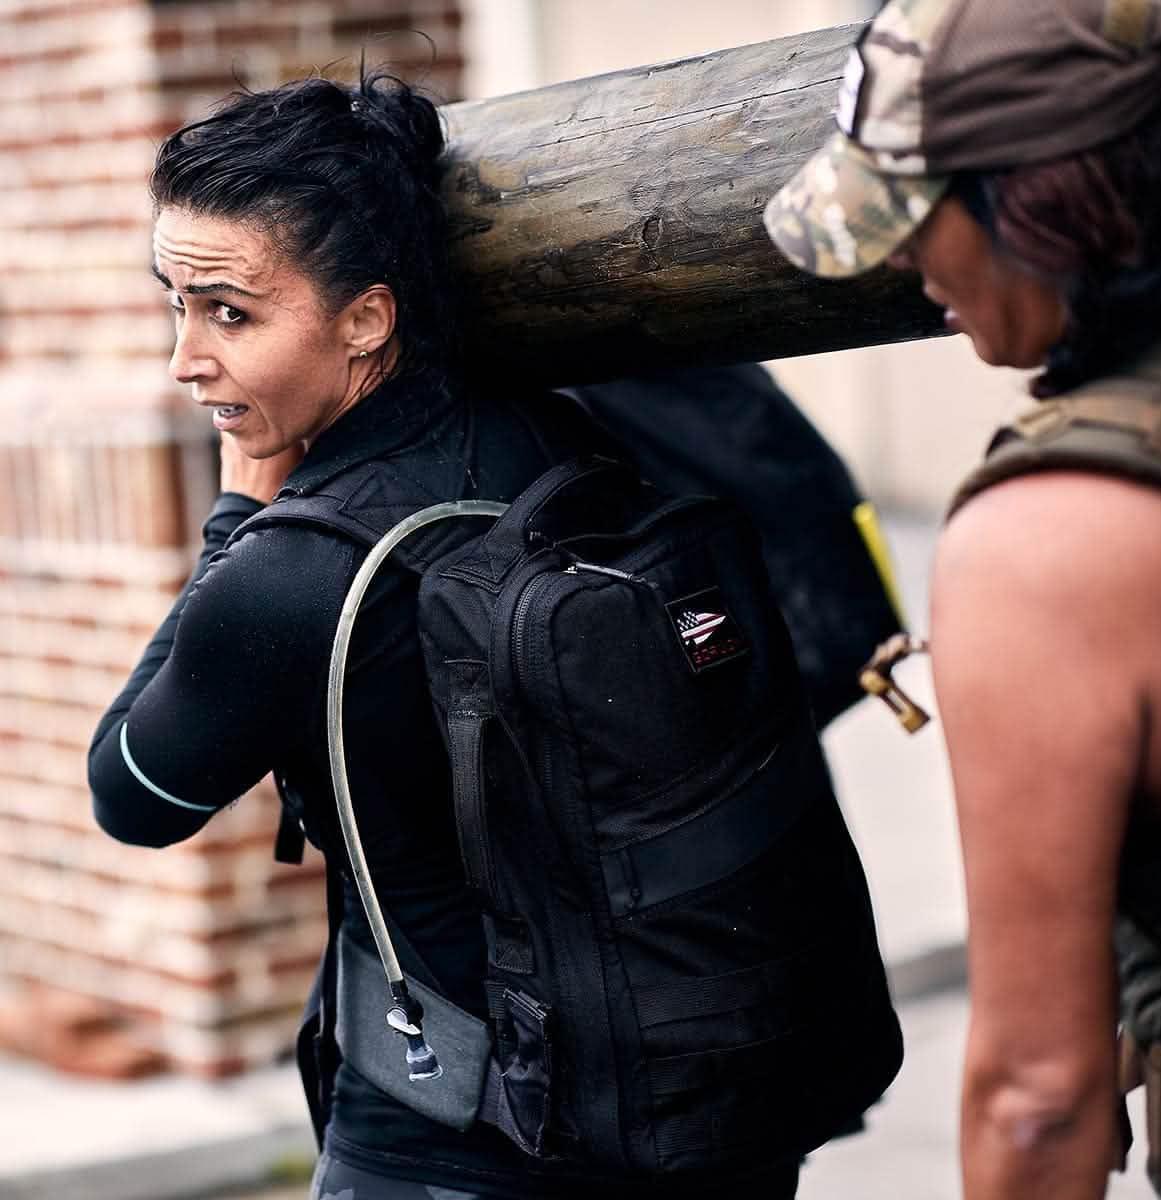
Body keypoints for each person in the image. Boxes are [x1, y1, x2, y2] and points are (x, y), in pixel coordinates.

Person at [88, 65, 902, 1200]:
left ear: (368, 317)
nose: (186, 356)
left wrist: (237, 512)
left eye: (230, 311)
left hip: (448, 1142)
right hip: (686, 1113)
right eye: (175, 303)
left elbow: (132, 791)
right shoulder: (563, 433)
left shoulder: (292, 574)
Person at [766, 0, 1161, 1197]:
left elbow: (1036, 1098)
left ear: (1049, 199)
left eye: (912, 219)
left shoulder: (1055, 541)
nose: (901, 264)